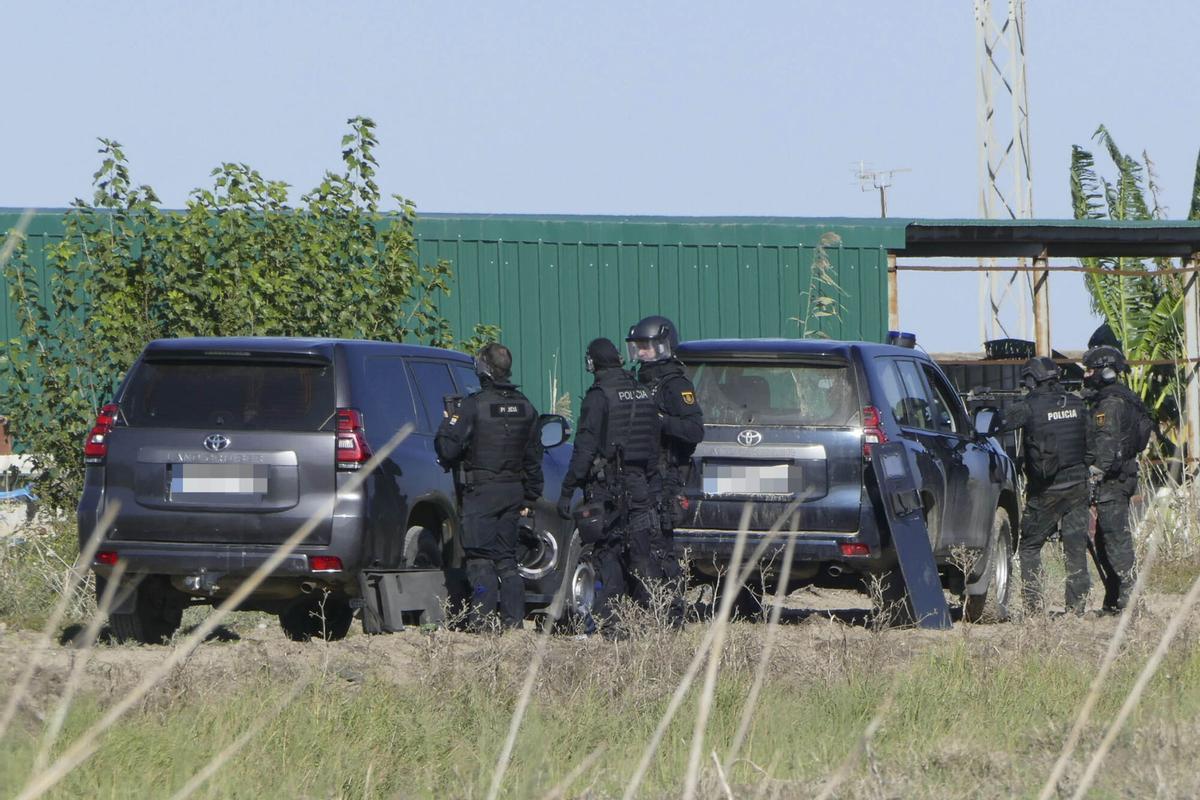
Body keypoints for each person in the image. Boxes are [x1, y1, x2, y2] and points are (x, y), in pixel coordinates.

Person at [556, 338, 661, 634]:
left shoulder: (598, 396)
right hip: (639, 485)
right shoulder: (642, 392)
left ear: (593, 363)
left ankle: (610, 623)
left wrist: (568, 490)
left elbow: (585, 450)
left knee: (607, 554)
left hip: (608, 490)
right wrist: (651, 486)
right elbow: (653, 446)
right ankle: (648, 621)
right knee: (641, 554)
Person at [435, 343, 543, 630]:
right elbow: (534, 458)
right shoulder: (526, 406)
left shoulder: (473, 406)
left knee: (479, 559)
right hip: (512, 493)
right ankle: (513, 623)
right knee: (507, 560)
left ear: (483, 368)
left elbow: (447, 449)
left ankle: (481, 622)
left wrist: (448, 422)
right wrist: (530, 496)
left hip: (481, 493)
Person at [625, 315, 704, 626]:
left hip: (666, 474)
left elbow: (694, 430)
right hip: (639, 475)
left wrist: (660, 421)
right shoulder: (637, 383)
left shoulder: (675, 385)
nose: (642, 352)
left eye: (648, 346)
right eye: (638, 347)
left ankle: (670, 613)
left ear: (664, 345)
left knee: (659, 546)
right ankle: (641, 607)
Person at [995, 357, 1089, 615]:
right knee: (1075, 547)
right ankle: (1076, 609)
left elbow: (999, 422)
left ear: (1031, 379)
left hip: (1047, 490)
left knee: (1030, 546)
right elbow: (1089, 443)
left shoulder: (1029, 406)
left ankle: (1034, 608)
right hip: (1079, 485)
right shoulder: (1077, 403)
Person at [1083, 344, 1152, 614]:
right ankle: (1114, 599)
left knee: (1115, 539)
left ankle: (1130, 601)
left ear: (1106, 372)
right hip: (1122, 476)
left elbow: (1107, 444)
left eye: (1092, 370)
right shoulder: (1122, 397)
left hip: (1113, 480)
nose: (1088, 375)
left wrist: (1094, 475)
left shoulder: (1110, 404)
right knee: (1104, 539)